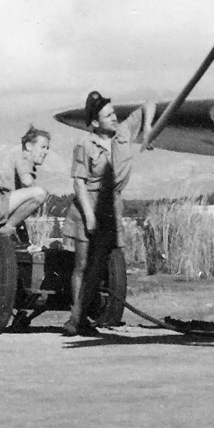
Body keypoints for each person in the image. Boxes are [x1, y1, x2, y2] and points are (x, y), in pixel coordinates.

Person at [63, 91, 154, 337]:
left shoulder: (123, 133)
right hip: (88, 204)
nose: (114, 118)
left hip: (112, 204)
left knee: (105, 263)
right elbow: (79, 183)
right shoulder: (84, 145)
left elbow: (149, 102)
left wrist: (146, 131)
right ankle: (76, 319)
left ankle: (92, 315)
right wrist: (90, 216)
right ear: (94, 122)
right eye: (108, 116)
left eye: (114, 113)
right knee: (82, 264)